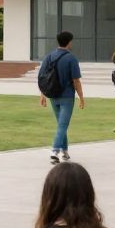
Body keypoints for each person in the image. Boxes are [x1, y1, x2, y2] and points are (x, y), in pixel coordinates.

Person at [37, 31, 85, 164]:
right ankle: (55, 150)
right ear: (69, 42)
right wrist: (81, 97)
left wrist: (43, 94)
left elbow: (43, 78)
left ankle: (65, 151)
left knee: (61, 124)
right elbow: (76, 81)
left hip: (53, 96)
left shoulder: (49, 57)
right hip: (67, 97)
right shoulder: (71, 58)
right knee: (63, 125)